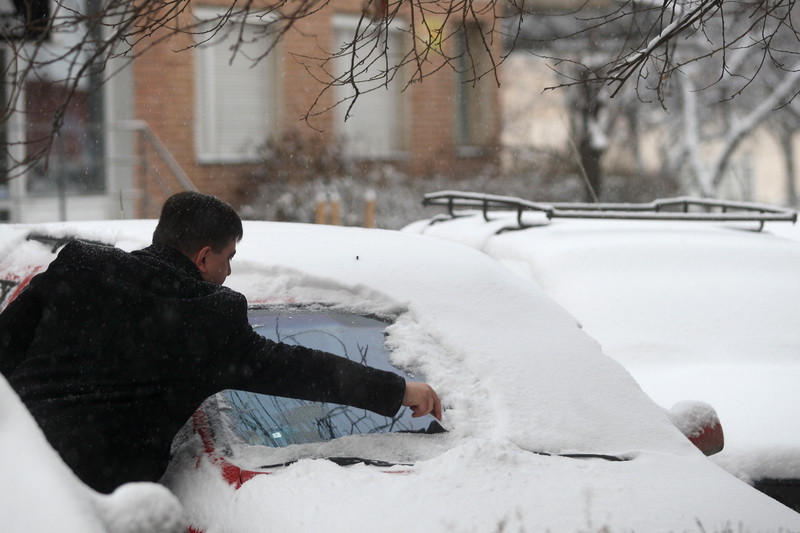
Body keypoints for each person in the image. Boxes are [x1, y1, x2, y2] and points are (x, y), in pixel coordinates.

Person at [0, 191, 441, 494]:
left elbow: (5, 345)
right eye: (228, 258)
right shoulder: (208, 318)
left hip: (14, 473)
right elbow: (302, 370)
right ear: (203, 256)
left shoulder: (81, 266)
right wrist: (399, 390)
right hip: (92, 500)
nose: (228, 272)